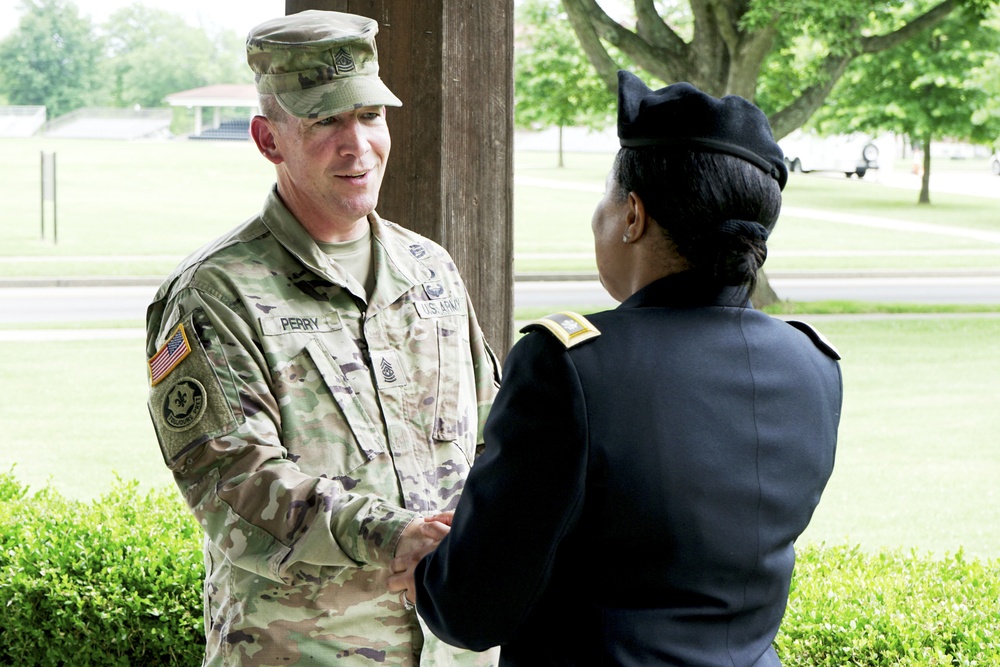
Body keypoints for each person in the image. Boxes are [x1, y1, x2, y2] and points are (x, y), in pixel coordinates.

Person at [389, 71, 843, 666]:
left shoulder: (572, 367)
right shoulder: (813, 363)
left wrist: (427, 566)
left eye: (606, 197)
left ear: (633, 215)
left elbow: (473, 609)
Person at [144, 10, 500, 666]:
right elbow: (233, 486)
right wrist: (392, 534)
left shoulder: (431, 272)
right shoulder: (215, 295)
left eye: (369, 115)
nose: (357, 144)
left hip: (454, 650)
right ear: (268, 138)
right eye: (325, 121)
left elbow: (493, 443)